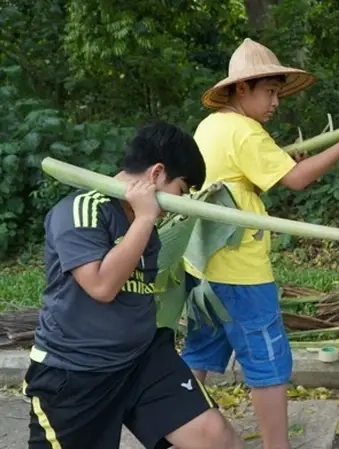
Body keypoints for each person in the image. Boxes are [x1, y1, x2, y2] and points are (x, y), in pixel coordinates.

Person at [179, 38, 339, 449]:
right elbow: (297, 179)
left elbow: (233, 183)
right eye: (269, 92)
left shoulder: (210, 126)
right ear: (241, 89)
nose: (275, 102)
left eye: (278, 93)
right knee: (267, 362)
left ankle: (178, 433)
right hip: (241, 273)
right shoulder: (246, 132)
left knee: (198, 354)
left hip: (201, 268)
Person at [23, 121, 244, 449]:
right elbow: (101, 286)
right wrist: (144, 218)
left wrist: (144, 221)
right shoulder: (81, 209)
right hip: (76, 373)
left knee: (216, 437)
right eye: (182, 190)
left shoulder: (146, 225)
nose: (180, 201)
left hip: (141, 360)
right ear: (157, 173)